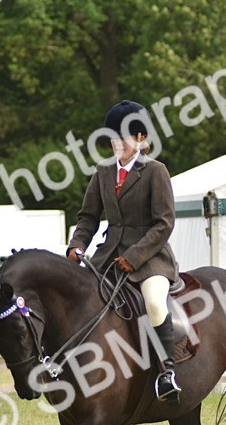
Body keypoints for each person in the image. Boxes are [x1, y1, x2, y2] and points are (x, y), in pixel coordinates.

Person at [66, 99, 182, 402]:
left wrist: (134, 257)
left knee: (155, 303)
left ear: (140, 139)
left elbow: (164, 223)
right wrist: (77, 245)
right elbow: (88, 216)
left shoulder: (155, 171)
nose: (117, 144)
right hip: (108, 257)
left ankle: (166, 372)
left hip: (150, 259)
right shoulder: (103, 172)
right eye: (113, 138)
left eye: (124, 138)